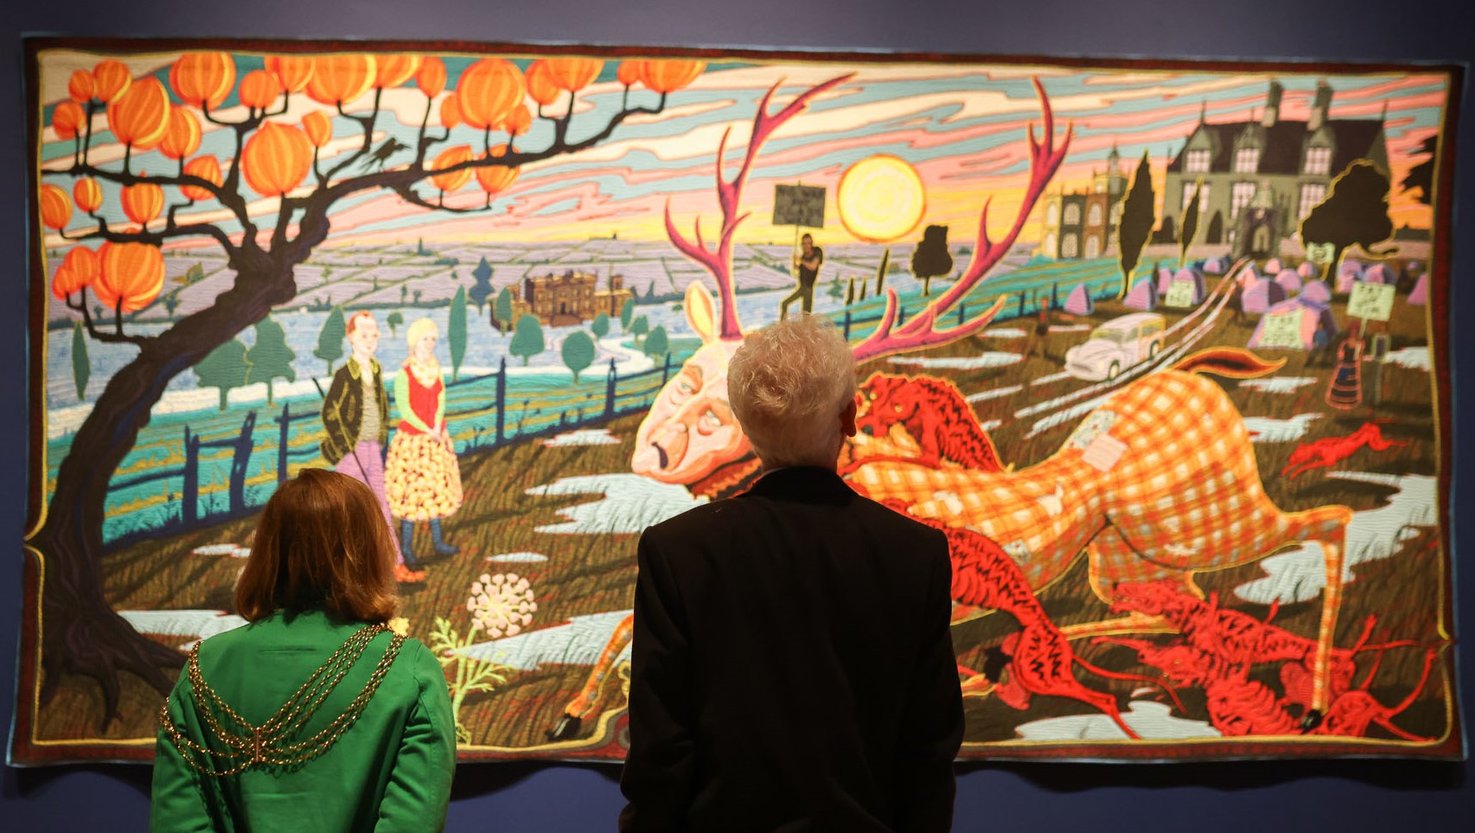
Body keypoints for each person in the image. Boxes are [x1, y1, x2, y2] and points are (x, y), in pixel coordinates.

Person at [619, 315, 963, 833]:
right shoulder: (916, 553)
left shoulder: (677, 552)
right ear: (849, 416)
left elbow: (660, 750)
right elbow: (928, 748)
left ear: (742, 418)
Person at [151, 469, 455, 833]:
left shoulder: (204, 669)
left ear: (267, 550)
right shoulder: (408, 670)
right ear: (367, 551)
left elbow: (179, 822)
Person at [320, 311, 424, 582]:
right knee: (347, 510)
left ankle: (395, 565)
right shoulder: (346, 374)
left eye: (374, 335)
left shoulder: (375, 369)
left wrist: (381, 440)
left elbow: (381, 406)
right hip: (351, 452)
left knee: (381, 507)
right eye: (364, 335)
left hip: (372, 449)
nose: (370, 340)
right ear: (351, 337)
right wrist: (344, 444)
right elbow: (330, 412)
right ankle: (340, 571)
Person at [386, 317, 463, 563]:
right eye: (425, 339)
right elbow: (405, 409)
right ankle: (407, 548)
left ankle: (438, 542)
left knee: (436, 488)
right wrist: (425, 428)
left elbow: (441, 399)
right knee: (412, 493)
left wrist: (437, 424)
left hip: (435, 437)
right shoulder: (405, 373)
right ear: (414, 342)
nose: (429, 344)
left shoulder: (435, 369)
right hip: (412, 441)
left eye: (432, 339)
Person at [780, 233, 823, 320]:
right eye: (804, 243)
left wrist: (800, 260)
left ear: (811, 243)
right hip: (802, 287)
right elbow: (796, 269)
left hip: (808, 288)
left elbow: (812, 266)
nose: (806, 246)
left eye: (808, 243)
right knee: (785, 303)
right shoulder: (804, 256)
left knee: (806, 316)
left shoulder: (817, 252)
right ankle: (783, 325)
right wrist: (794, 260)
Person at [1326, 319, 1364, 409]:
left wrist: (1358, 351)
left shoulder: (1360, 343)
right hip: (1344, 365)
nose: (1353, 333)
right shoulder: (1345, 342)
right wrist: (1342, 358)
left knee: (1350, 383)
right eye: (1352, 331)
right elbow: (1340, 354)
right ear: (1349, 331)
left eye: (1355, 331)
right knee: (1342, 382)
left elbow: (1360, 355)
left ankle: (1350, 400)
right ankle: (1338, 400)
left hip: (1353, 366)